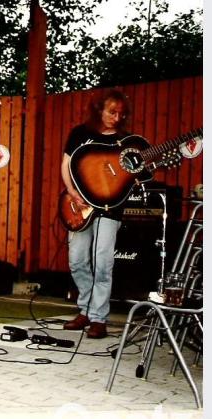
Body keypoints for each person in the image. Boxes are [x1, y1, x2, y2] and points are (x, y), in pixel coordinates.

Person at [60, 89, 131, 339]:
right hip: (80, 206)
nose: (116, 117)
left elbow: (131, 176)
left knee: (102, 263)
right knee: (77, 260)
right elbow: (66, 165)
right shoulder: (80, 133)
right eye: (112, 112)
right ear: (99, 109)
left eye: (121, 114)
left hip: (110, 209)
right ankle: (87, 309)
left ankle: (98, 317)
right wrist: (71, 193)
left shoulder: (125, 141)